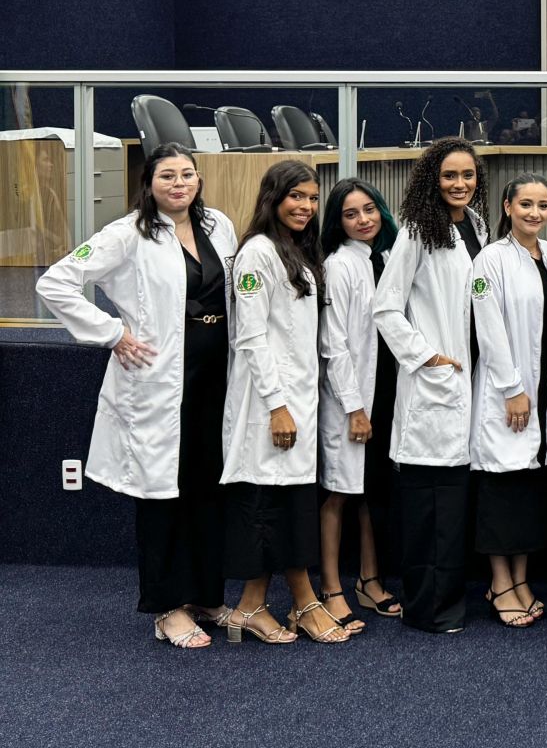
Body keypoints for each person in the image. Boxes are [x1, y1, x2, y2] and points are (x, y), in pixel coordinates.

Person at [36, 144, 239, 650]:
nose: (179, 184)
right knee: (161, 496)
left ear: (198, 179)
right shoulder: (127, 233)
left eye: (187, 174)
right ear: (148, 183)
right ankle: (167, 608)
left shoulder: (218, 225)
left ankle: (206, 597)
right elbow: (56, 283)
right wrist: (112, 333)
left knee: (207, 490)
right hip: (159, 384)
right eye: (167, 175)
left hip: (215, 381)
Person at [219, 160, 350, 645]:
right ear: (273, 197)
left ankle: (254, 606)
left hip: (298, 400)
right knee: (268, 505)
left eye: (313, 198)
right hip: (268, 404)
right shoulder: (257, 254)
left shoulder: (295, 250)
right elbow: (251, 338)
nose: (307, 206)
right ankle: (297, 603)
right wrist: (276, 405)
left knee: (288, 504)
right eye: (297, 196)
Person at [373, 137, 489, 634]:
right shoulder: (418, 229)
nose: (460, 184)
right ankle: (427, 609)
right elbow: (385, 307)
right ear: (432, 180)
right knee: (428, 513)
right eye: (449, 176)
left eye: (467, 175)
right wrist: (426, 357)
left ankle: (449, 604)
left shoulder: (476, 225)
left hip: (468, 383)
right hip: (435, 384)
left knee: (453, 510)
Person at [470, 173, 547, 628]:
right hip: (509, 391)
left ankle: (521, 580)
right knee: (502, 491)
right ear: (507, 207)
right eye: (526, 204)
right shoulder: (490, 260)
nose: (535, 213)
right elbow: (488, 329)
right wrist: (512, 389)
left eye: (542, 205)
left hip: (545, 391)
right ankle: (500, 582)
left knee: (531, 492)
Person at [316, 178, 402, 630]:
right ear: (338, 222)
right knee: (339, 492)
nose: (364, 220)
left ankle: (369, 580)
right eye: (351, 214)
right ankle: (331, 588)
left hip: (386, 388)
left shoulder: (384, 258)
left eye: (369, 209)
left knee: (372, 491)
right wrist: (353, 408)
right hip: (351, 398)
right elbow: (334, 345)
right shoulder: (339, 265)